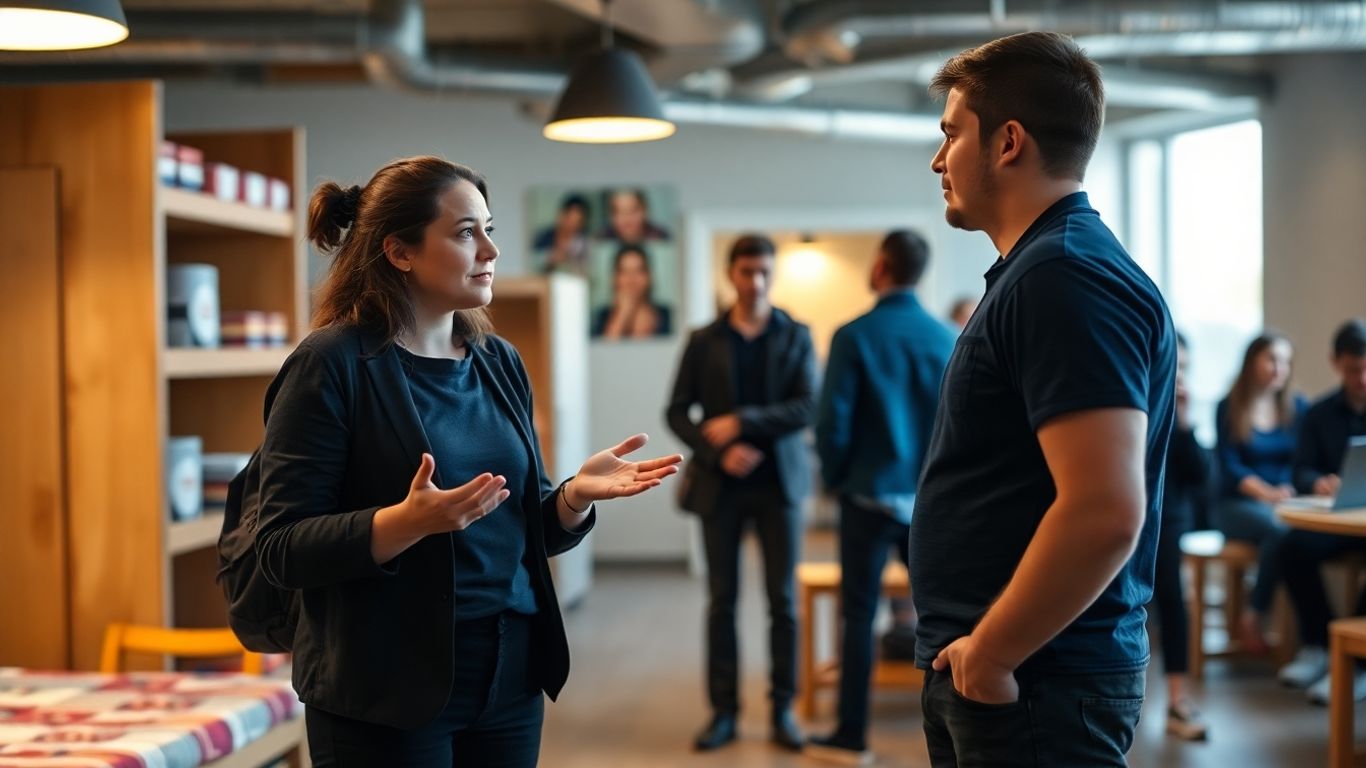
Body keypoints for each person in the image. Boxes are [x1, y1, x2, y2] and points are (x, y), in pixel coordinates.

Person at [255, 156, 682, 767]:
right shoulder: (331, 365)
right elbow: (280, 548)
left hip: (509, 673)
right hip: (386, 686)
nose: (490, 250)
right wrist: (405, 522)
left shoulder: (497, 360)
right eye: (464, 233)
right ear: (399, 252)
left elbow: (519, 527)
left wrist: (570, 499)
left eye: (489, 229)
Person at [910, 32, 1177, 767]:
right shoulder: (1041, 270)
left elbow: (1103, 511)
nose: (938, 160)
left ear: (1009, 142)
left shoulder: (1065, 278)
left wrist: (992, 655)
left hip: (1035, 678)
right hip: (1013, 670)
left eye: (950, 134)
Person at [808, 230, 955, 765]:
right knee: (939, 617)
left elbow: (832, 425)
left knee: (858, 615)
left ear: (880, 268)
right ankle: (955, 734)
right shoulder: (945, 336)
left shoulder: (854, 335)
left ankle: (852, 736)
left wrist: (839, 478)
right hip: (930, 503)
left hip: (868, 498)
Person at [665, 233, 816, 754]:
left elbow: (807, 406)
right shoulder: (703, 339)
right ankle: (724, 712)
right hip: (721, 489)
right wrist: (717, 451)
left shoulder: (795, 334)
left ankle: (783, 710)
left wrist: (743, 422)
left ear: (772, 276)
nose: (755, 282)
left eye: (764, 273)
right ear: (731, 274)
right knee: (721, 602)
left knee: (784, 603)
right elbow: (677, 411)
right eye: (747, 272)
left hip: (780, 486)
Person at [1277, 318, 1366, 703]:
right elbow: (1300, 470)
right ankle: (1321, 644)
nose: (1361, 378)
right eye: (1353, 369)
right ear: (1335, 363)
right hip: (1333, 522)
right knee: (1289, 547)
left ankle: (1358, 665)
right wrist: (1318, 482)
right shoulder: (1318, 413)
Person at [1213, 332, 1307, 654]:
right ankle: (1255, 614)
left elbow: (1302, 461)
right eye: (1271, 359)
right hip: (1235, 506)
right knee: (1281, 531)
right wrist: (1268, 493)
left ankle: (1308, 641)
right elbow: (1230, 468)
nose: (1279, 368)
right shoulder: (1229, 407)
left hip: (1282, 502)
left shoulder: (1297, 407)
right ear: (1252, 363)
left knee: (1291, 534)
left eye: (1285, 361)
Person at [1150, 332, 1211, 740]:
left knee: (1173, 598)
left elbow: (1200, 476)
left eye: (1185, 368)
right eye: (1176, 366)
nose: (1179, 375)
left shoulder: (1180, 414)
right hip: (1124, 514)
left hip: (1167, 519)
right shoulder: (1134, 401)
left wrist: (1184, 423)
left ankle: (1177, 699)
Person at [591, 244, 672, 339]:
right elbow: (602, 352)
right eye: (624, 272)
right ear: (614, 278)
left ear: (649, 277)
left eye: (638, 271)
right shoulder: (602, 316)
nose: (631, 280)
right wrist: (622, 315)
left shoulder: (666, 315)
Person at [533, 193, 591, 275]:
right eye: (570, 220)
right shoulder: (543, 238)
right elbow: (531, 262)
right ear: (562, 215)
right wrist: (550, 258)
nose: (571, 227)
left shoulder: (584, 244)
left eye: (577, 223)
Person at [600, 188, 670, 244]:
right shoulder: (601, 239)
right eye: (620, 213)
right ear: (611, 216)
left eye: (632, 211)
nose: (626, 219)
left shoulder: (661, 237)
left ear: (645, 211)